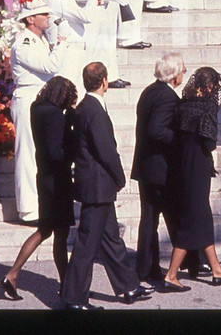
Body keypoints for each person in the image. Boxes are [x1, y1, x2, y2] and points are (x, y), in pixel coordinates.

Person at [61, 62, 154, 310]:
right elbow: (106, 151)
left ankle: (128, 286)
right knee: (86, 245)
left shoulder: (85, 107)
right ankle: (74, 298)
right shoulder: (94, 110)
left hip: (95, 185)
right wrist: (120, 177)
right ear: (104, 82)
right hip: (98, 186)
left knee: (111, 239)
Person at [0, 76, 78, 301]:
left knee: (48, 230)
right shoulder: (53, 115)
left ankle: (62, 282)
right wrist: (71, 138)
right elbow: (57, 152)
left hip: (45, 177)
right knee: (53, 233)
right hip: (57, 180)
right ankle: (16, 275)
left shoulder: (37, 108)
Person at [160, 68, 221, 292]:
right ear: (210, 87)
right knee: (192, 219)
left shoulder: (183, 105)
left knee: (203, 217)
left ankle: (216, 269)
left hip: (184, 166)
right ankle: (171, 274)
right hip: (198, 168)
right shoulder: (206, 108)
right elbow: (209, 143)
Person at [131, 52, 187, 285]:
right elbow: (156, 130)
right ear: (174, 76)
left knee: (149, 219)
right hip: (160, 169)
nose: (184, 73)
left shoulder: (149, 91)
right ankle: (188, 260)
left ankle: (146, 267)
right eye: (183, 70)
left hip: (145, 167)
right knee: (175, 216)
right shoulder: (167, 98)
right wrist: (179, 139)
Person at [10, 0, 63, 225]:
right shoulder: (25, 43)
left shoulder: (38, 40)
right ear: (31, 19)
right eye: (43, 13)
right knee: (28, 152)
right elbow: (49, 66)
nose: (48, 16)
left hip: (40, 98)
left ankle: (40, 203)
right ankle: (29, 208)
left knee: (40, 151)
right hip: (28, 97)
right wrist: (62, 44)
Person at [41, 0, 91, 99]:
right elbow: (85, 16)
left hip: (74, 51)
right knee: (68, 95)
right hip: (68, 51)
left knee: (76, 94)